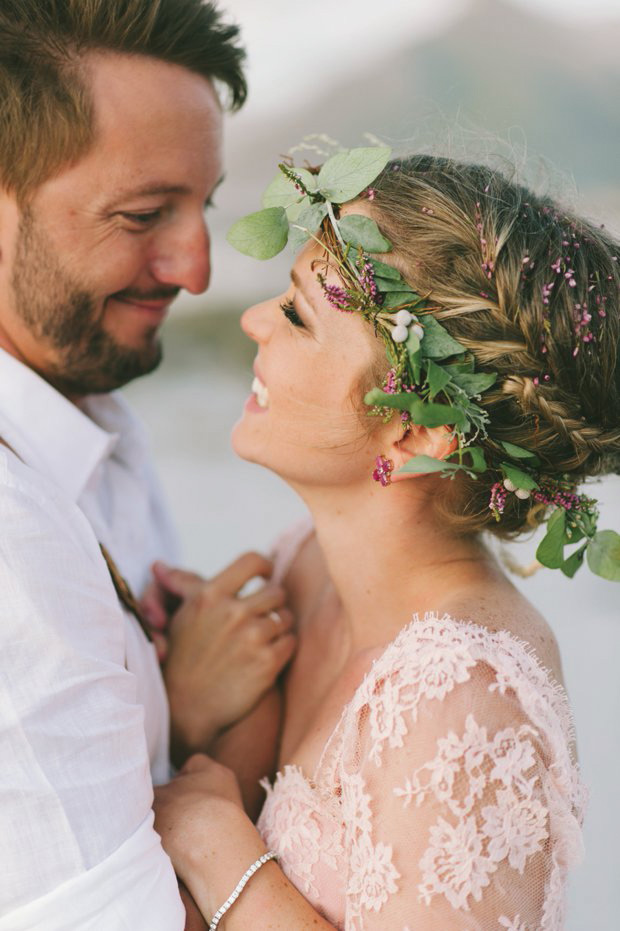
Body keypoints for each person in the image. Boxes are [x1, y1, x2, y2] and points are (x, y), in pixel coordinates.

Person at [152, 149, 620, 929]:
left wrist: (218, 847)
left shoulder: (467, 699)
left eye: (299, 314)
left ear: (415, 431)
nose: (253, 320)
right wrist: (193, 712)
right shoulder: (306, 566)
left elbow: (206, 823)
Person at [0, 2, 295, 929]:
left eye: (201, 206)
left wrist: (178, 710)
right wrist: (226, 750)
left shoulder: (98, 423)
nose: (196, 268)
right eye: (143, 214)